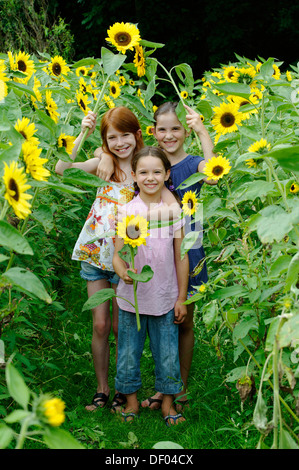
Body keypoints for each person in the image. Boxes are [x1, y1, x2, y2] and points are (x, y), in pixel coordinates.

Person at [55, 107, 179, 412]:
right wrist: (85, 133)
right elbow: (61, 168)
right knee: (100, 325)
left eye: (126, 135)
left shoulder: (144, 166)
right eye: (112, 138)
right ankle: (102, 388)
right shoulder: (103, 164)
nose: (120, 142)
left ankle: (126, 388)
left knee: (121, 328)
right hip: (96, 253)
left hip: (130, 258)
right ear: (105, 141)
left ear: (137, 134)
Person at [140, 102, 218, 411]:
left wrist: (202, 129)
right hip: (157, 250)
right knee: (160, 321)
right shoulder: (151, 161)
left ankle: (181, 386)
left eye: (176, 128)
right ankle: (164, 387)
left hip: (188, 247)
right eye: (162, 129)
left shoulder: (194, 162)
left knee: (184, 321)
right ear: (154, 132)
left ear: (185, 131)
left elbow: (212, 176)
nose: (169, 135)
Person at [112, 146, 189, 425]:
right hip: (131, 297)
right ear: (134, 176)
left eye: (157, 171)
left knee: (167, 353)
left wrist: (181, 297)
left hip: (165, 294)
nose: (150, 177)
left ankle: (168, 404)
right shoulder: (127, 212)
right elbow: (118, 254)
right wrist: (123, 273)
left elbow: (181, 256)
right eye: (143, 172)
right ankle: (132, 403)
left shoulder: (174, 212)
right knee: (129, 353)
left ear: (167, 174)